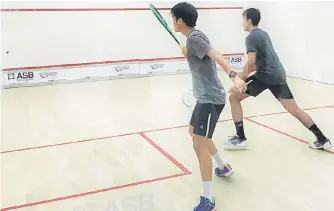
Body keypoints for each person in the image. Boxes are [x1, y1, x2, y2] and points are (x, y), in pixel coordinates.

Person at [170, 2, 247, 211]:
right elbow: (202, 54)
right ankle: (223, 166)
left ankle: (208, 199)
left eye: (173, 18)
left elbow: (216, 55)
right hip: (205, 98)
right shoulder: (194, 38)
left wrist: (233, 75)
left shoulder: (195, 38)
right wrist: (186, 51)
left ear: (180, 20)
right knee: (194, 132)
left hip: (211, 99)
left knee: (199, 144)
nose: (172, 22)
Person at [225, 8, 332, 151]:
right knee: (295, 109)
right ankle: (322, 139)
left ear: (249, 20)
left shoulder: (251, 37)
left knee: (234, 97)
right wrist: (242, 77)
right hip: (278, 75)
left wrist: (240, 80)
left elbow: (251, 62)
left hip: (265, 77)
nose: (242, 23)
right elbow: (260, 62)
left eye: (243, 19)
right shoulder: (263, 34)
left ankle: (240, 138)